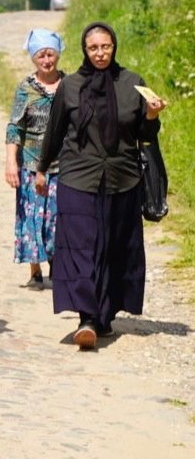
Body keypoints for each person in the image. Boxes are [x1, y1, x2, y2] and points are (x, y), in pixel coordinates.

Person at [35, 21, 166, 348]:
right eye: (93, 48)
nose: (100, 53)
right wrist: (41, 169)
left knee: (113, 247)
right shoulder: (72, 85)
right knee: (82, 245)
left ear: (114, 46)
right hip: (78, 177)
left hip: (123, 178)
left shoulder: (132, 84)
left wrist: (151, 116)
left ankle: (104, 314)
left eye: (105, 46)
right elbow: (54, 131)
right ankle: (87, 318)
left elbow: (145, 138)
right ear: (84, 50)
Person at [5, 29, 64, 289]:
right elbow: (14, 127)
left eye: (50, 54)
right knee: (33, 218)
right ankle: (35, 269)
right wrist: (10, 162)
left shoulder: (70, 85)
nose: (46, 60)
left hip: (64, 165)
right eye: (41, 55)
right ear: (33, 58)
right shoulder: (25, 89)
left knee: (57, 218)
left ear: (58, 55)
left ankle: (58, 265)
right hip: (30, 163)